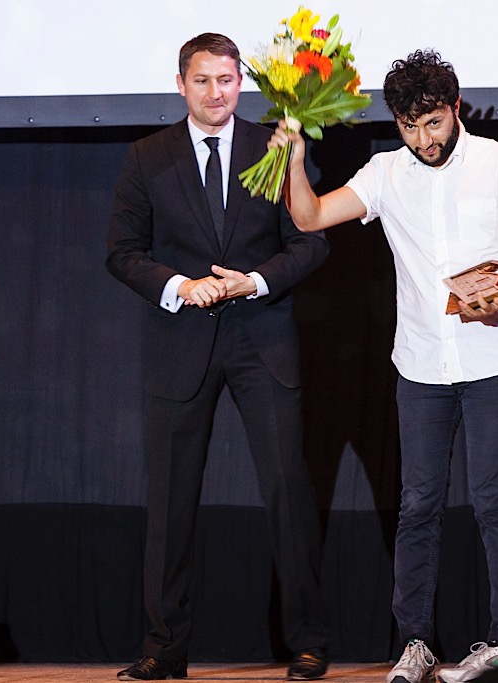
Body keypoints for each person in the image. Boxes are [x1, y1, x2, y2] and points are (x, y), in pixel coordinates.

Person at [268, 49, 498, 683]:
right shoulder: (386, 173)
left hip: (494, 359)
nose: (423, 140)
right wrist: (294, 156)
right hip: (421, 365)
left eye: (433, 124)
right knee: (418, 504)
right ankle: (416, 644)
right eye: (409, 127)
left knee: (493, 502)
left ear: (455, 108)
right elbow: (310, 216)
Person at [106, 33, 331, 681]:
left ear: (241, 83)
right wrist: (180, 286)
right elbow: (122, 251)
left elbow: (309, 241)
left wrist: (253, 281)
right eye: (202, 80)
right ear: (181, 84)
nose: (215, 93)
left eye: (227, 80)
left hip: (263, 338)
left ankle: (308, 641)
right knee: (170, 500)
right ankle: (164, 646)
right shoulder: (147, 156)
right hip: (181, 342)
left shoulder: (275, 145)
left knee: (287, 489)